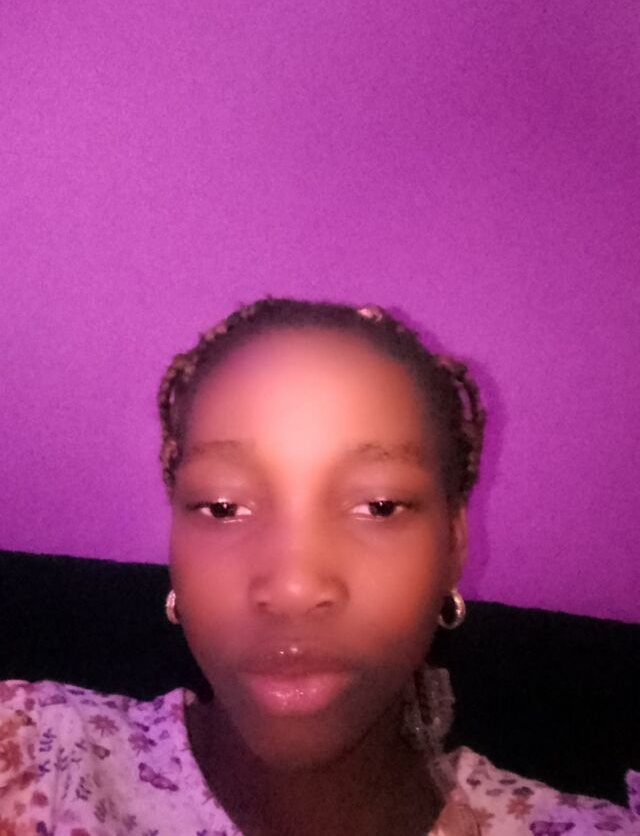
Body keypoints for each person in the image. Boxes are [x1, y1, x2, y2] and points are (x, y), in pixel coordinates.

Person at [0, 296, 637, 835]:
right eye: (223, 507)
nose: (294, 587)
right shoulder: (32, 759)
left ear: (453, 546)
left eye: (379, 506)